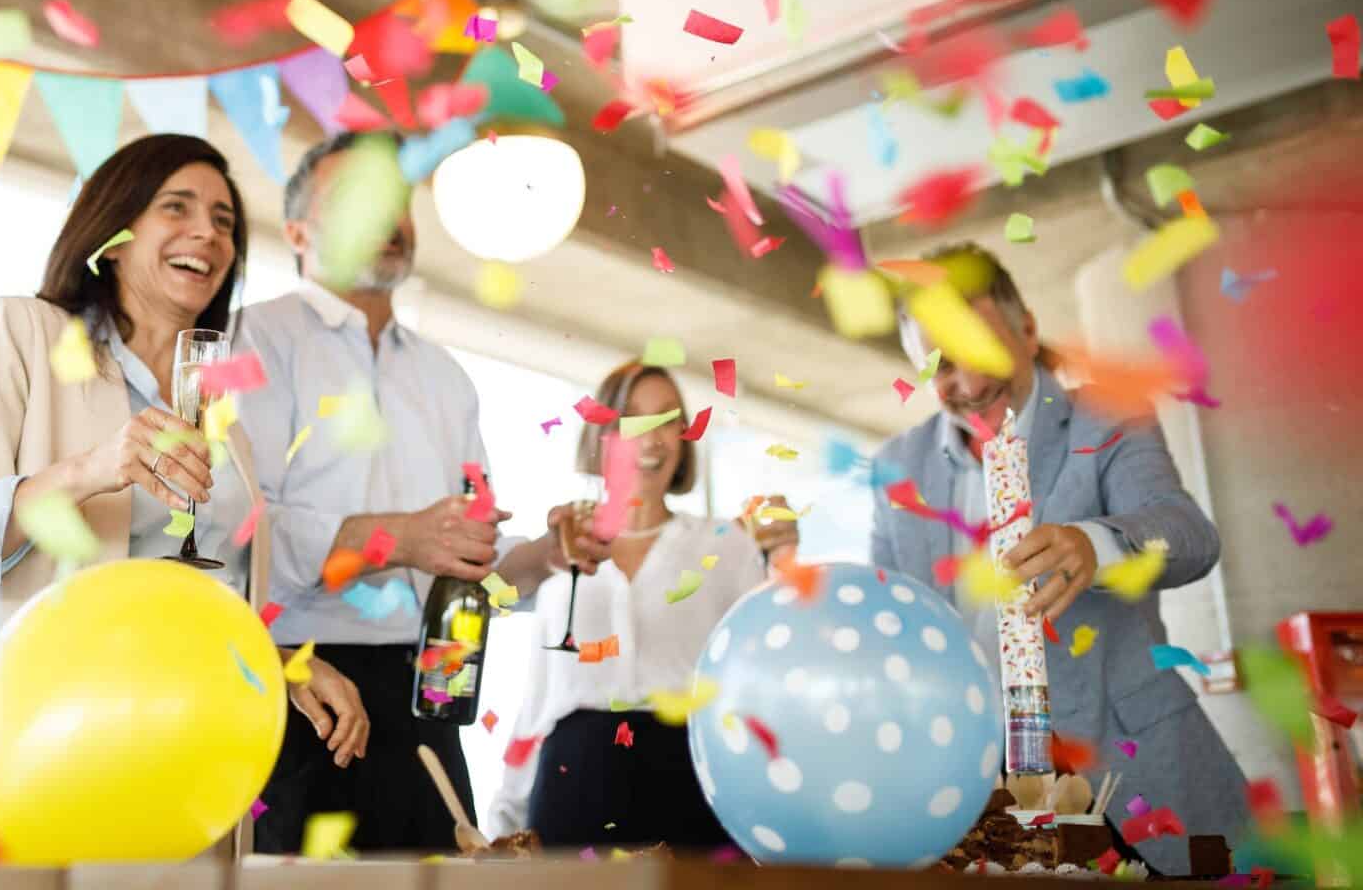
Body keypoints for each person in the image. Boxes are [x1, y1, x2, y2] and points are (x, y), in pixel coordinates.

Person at [0, 134, 368, 862]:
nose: (209, 231)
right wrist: (87, 471)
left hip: (174, 790)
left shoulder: (225, 420)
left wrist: (280, 662)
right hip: (25, 762)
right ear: (113, 233)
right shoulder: (23, 334)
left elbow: (183, 601)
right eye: (178, 207)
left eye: (226, 221)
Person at [237, 131, 601, 854]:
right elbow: (241, 533)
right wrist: (397, 537)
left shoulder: (446, 378)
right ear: (298, 231)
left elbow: (468, 571)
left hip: (430, 696)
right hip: (302, 686)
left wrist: (548, 556)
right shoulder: (254, 339)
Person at [870, 243, 1248, 876]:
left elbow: (1189, 534)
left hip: (1137, 780)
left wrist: (1096, 545)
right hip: (977, 795)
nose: (967, 383)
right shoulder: (897, 469)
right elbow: (893, 620)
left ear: (1026, 327)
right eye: (939, 364)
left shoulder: (1108, 416)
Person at [487, 361, 784, 849]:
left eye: (667, 419)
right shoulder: (559, 554)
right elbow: (538, 701)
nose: (651, 438)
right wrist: (503, 822)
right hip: (569, 788)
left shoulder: (726, 545)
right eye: (632, 419)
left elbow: (753, 687)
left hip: (687, 786)